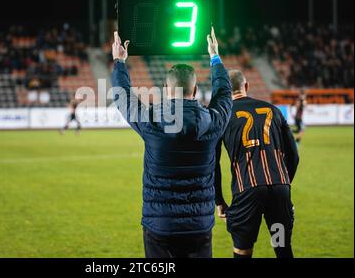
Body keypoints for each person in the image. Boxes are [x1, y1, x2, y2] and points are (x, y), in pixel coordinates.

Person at [112, 28, 232, 258]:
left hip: (160, 224)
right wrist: (215, 57)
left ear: (166, 90)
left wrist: (119, 62)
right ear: (195, 90)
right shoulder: (212, 121)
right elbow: (224, 94)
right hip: (199, 225)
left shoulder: (153, 120)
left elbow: (122, 96)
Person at [214, 69, 299, 258]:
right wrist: (284, 183)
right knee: (282, 247)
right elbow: (293, 155)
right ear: (246, 86)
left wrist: (218, 200)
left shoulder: (223, 115)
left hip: (247, 191)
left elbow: (213, 162)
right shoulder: (273, 110)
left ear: (225, 89)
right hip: (279, 190)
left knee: (243, 250)